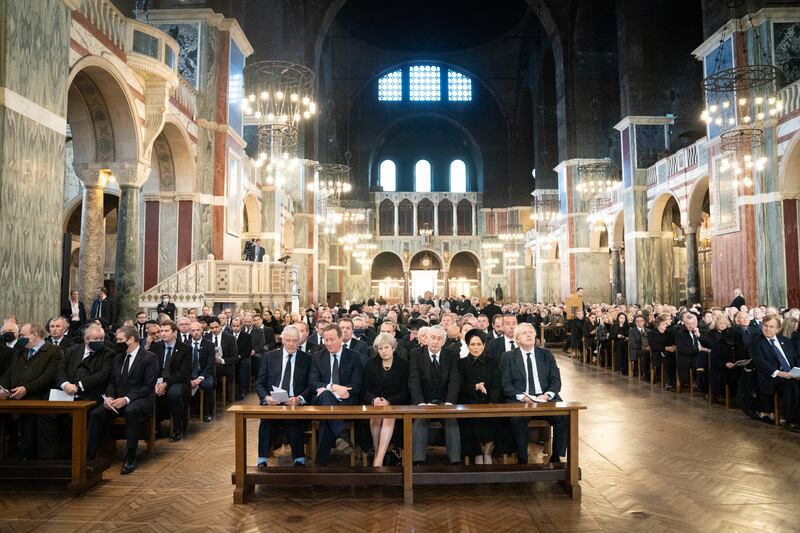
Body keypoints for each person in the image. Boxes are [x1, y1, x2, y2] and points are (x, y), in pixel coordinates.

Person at [87, 325, 159, 474]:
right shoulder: (118, 357)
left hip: (141, 400)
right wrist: (110, 396)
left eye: (120, 339)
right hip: (117, 400)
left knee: (131, 411)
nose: (117, 342)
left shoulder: (149, 357)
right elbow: (112, 381)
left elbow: (148, 386)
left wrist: (126, 399)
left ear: (131, 339)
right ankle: (89, 456)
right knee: (96, 414)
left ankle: (131, 456)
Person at [499, 323, 567, 464]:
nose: (529, 335)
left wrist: (547, 395)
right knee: (518, 419)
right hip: (521, 399)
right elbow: (506, 385)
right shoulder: (508, 357)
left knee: (564, 417)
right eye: (524, 333)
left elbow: (556, 380)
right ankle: (522, 458)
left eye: (531, 332)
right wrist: (524, 397)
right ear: (517, 339)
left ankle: (556, 457)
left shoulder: (546, 354)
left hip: (545, 399)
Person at [0, 322, 62, 459]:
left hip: (41, 398)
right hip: (16, 399)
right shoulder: (19, 353)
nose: (20, 338)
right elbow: (8, 374)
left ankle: (36, 459)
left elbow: (47, 377)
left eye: (22, 335)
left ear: (34, 335)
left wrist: (26, 389)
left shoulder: (53, 351)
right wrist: (2, 389)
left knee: (32, 417)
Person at [255, 325, 312, 469]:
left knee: (294, 420)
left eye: (294, 340)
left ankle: (299, 459)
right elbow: (260, 384)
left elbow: (311, 386)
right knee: (266, 422)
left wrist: (299, 399)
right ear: (282, 339)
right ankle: (262, 459)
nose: (291, 344)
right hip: (272, 402)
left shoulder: (307, 359)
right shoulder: (270, 357)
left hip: (294, 402)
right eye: (288, 340)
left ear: (299, 340)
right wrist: (266, 398)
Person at [309, 323, 363, 465]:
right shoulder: (317, 356)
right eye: (326, 340)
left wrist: (339, 391)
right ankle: (342, 435)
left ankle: (320, 463)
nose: (328, 343)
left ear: (341, 338)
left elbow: (357, 385)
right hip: (322, 401)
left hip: (346, 400)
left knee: (326, 418)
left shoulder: (354, 356)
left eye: (332, 339)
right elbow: (313, 382)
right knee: (327, 396)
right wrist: (333, 387)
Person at [408, 325, 461, 465]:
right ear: (426, 338)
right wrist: (420, 404)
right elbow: (414, 380)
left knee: (451, 420)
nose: (435, 341)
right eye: (432, 337)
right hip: (423, 401)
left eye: (439, 338)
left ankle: (455, 462)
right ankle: (418, 461)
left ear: (444, 341)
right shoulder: (415, 354)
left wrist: (449, 403)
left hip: (444, 402)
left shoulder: (451, 355)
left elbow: (454, 380)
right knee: (420, 419)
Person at [361, 332, 409, 467]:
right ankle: (377, 453)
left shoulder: (404, 365)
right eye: (380, 348)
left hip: (395, 404)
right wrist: (373, 399)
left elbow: (405, 392)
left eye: (386, 347)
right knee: (376, 415)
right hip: (374, 405)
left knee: (388, 415)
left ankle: (378, 460)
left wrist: (389, 401)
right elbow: (364, 390)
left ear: (393, 348)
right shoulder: (370, 364)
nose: (383, 351)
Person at [457, 329, 500, 465]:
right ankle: (476, 453)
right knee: (472, 419)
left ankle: (487, 452)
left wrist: (492, 402)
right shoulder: (460, 363)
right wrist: (474, 387)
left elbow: (496, 385)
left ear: (483, 345)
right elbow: (458, 386)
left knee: (494, 418)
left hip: (489, 401)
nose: (476, 348)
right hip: (468, 401)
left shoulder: (493, 362)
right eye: (472, 345)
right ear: (468, 346)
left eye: (479, 344)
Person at [150, 321, 191, 441]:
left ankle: (178, 429)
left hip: (178, 382)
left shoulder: (185, 349)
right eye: (161, 331)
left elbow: (183, 373)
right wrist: (156, 385)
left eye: (166, 331)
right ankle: (155, 428)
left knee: (174, 393)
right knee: (149, 392)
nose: (163, 334)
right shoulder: (155, 348)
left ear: (175, 332)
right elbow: (152, 369)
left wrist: (166, 384)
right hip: (159, 381)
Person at [56, 323, 115, 403]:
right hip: (65, 393)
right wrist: (65, 384)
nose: (99, 341)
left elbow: (103, 374)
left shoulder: (108, 353)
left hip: (89, 395)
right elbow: (61, 369)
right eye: (95, 339)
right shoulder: (71, 350)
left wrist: (78, 386)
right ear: (86, 339)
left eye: (101, 338)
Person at [205, 317, 238, 399]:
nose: (214, 330)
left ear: (220, 326)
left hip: (224, 366)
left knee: (214, 371)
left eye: (216, 327)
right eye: (212, 328)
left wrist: (222, 360)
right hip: (209, 366)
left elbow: (235, 358)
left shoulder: (230, 338)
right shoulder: (206, 338)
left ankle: (215, 395)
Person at [647, 316, 677, 390]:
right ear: (658, 325)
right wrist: (665, 348)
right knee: (667, 360)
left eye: (665, 323)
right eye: (663, 324)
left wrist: (673, 347)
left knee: (677, 358)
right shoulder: (652, 333)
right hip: (657, 354)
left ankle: (676, 380)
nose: (665, 325)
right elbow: (654, 346)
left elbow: (673, 342)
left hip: (670, 352)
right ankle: (668, 382)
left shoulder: (669, 332)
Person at [230, 318, 252, 401]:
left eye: (237, 326)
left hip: (242, 357)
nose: (235, 328)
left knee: (243, 365)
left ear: (241, 326)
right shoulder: (227, 335)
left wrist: (239, 356)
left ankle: (242, 391)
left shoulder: (247, 336)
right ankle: (228, 391)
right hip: (230, 358)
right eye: (233, 326)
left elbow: (248, 350)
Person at [629, 315, 651, 381]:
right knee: (645, 353)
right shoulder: (632, 331)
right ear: (635, 322)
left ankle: (654, 373)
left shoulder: (648, 330)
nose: (639, 322)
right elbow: (632, 344)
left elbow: (652, 341)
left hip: (649, 349)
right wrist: (643, 347)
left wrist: (650, 347)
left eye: (641, 321)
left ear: (644, 322)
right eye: (637, 321)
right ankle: (645, 374)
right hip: (638, 350)